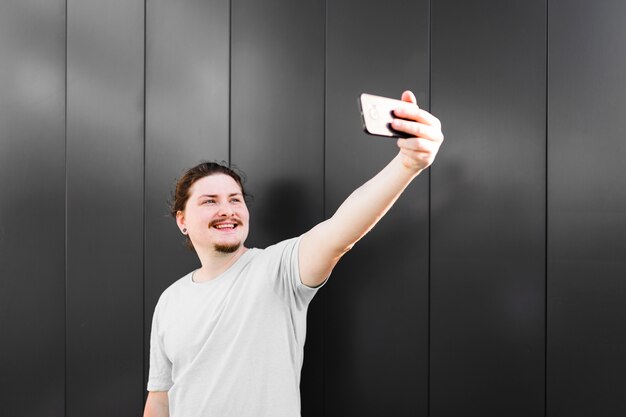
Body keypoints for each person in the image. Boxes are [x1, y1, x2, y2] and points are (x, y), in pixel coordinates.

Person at [143, 90, 444, 417]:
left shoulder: (279, 269)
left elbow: (340, 230)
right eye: (209, 201)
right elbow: (161, 399)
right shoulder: (170, 300)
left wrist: (407, 164)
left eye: (235, 199)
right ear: (182, 220)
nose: (227, 210)